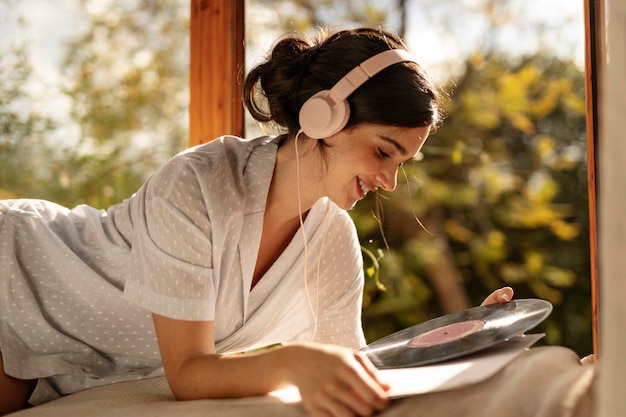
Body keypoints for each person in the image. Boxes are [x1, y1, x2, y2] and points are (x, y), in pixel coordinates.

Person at [0, 27, 513, 417]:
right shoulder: (197, 183)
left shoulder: (333, 242)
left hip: (77, 371)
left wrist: (457, 339)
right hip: (19, 283)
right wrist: (290, 363)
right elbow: (188, 373)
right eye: (383, 151)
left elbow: (355, 371)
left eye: (401, 163)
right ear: (324, 116)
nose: (389, 181)